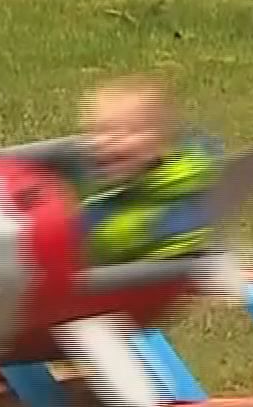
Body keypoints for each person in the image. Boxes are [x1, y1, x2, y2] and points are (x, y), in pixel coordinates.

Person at [67, 74, 228, 268]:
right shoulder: (90, 186)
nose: (105, 141)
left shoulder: (176, 199)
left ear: (163, 144)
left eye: (126, 131)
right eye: (97, 131)